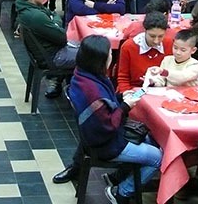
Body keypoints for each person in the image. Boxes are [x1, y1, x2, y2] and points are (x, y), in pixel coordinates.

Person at [54, 35, 162, 204]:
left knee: (153, 141)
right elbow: (108, 125)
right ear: (99, 61)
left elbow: (105, 107)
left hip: (95, 139)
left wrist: (120, 97)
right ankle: (121, 192)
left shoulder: (82, 75)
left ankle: (116, 177)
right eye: (109, 54)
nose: (112, 57)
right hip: (105, 144)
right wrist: (125, 106)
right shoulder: (92, 90)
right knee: (158, 157)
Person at [16, 0, 76, 97]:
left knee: (83, 45)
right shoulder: (36, 16)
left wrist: (53, 19)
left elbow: (52, 13)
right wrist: (55, 21)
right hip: (52, 57)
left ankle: (64, 83)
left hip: (47, 51)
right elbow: (62, 38)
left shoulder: (27, 7)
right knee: (92, 56)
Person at [116, 11, 169, 93]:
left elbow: (170, 74)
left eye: (160, 36)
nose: (156, 41)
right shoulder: (129, 47)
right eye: (152, 36)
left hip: (161, 90)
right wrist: (127, 95)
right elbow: (123, 78)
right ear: (144, 30)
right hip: (134, 90)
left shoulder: (169, 44)